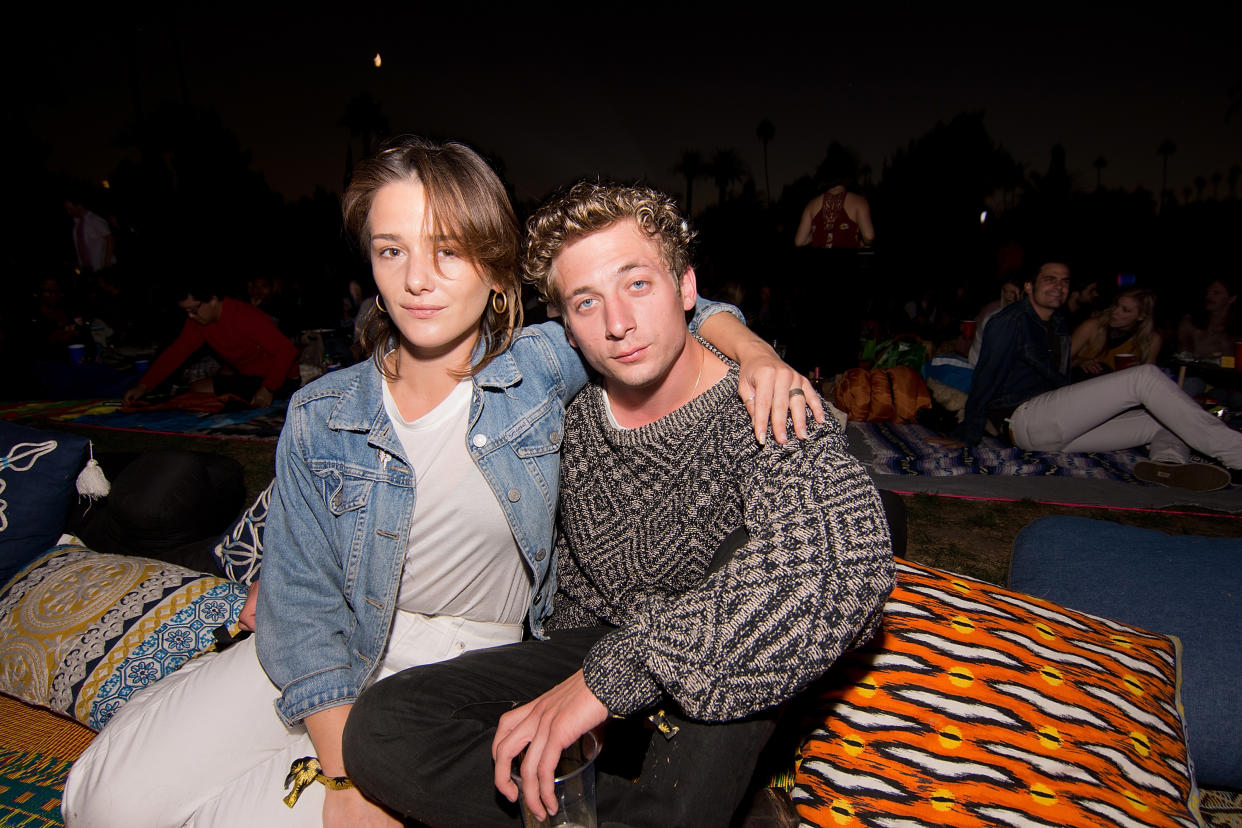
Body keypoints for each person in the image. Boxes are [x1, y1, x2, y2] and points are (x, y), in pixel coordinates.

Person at [63, 139, 814, 828]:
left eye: (447, 250)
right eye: (392, 250)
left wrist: (753, 352)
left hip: (458, 669)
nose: (417, 279)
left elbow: (663, 306)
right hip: (326, 649)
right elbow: (297, 599)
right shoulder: (325, 413)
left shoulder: (541, 365)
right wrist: (343, 772)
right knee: (100, 804)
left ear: (494, 266)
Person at [342, 181, 895, 828]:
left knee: (751, 574)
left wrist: (612, 680)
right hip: (599, 650)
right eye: (586, 301)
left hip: (712, 663)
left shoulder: (769, 403)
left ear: (687, 290)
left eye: (638, 285)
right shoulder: (562, 418)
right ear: (568, 330)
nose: (618, 323)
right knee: (383, 729)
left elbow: (843, 562)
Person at [953, 262, 1242, 491]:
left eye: (1064, 281)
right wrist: (969, 434)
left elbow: (1059, 381)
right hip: (1024, 417)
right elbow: (985, 376)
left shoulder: (1057, 325)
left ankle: (1168, 465)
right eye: (1049, 279)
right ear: (1029, 286)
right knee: (1145, 377)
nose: (1059, 286)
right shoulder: (1010, 320)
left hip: (1054, 430)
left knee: (1165, 415)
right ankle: (1236, 453)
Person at [121, 280, 301, 409]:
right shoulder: (199, 322)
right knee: (200, 387)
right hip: (251, 376)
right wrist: (143, 386)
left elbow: (287, 351)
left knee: (199, 391)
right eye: (186, 311)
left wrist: (268, 388)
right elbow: (176, 352)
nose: (191, 316)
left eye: (193, 309)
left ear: (213, 299)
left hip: (280, 378)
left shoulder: (243, 316)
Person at [1070, 288, 1161, 376]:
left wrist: (1140, 369)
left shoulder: (1151, 339)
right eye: (1116, 305)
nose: (1115, 311)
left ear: (1141, 316)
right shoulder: (1092, 326)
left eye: (1125, 310)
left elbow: (1149, 376)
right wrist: (1079, 361)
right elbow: (1060, 361)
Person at [793, 183, 874, 248]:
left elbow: (799, 241)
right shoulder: (858, 201)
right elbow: (868, 236)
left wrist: (817, 233)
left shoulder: (812, 204)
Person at [1177, 277, 1238, 360]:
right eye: (1207, 292)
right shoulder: (1191, 323)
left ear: (1232, 298)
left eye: (1216, 293)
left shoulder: (1236, 329)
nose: (1208, 296)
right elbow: (1183, 357)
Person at [64, 196, 116, 273]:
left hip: (102, 265)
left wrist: (107, 261)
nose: (69, 212)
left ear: (79, 206)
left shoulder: (94, 220)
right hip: (89, 268)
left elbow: (109, 238)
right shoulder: (77, 225)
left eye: (70, 209)